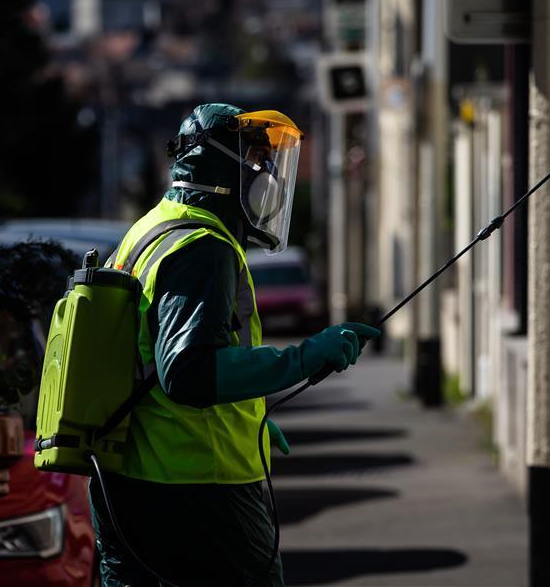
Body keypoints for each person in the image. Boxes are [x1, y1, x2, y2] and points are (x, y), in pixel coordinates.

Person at [89, 103, 380, 586]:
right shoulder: (202, 248)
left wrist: (252, 425)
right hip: (198, 489)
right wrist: (303, 358)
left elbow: (147, 360)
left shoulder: (150, 231)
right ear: (227, 170)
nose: (268, 179)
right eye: (258, 164)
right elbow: (188, 373)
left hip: (132, 482)